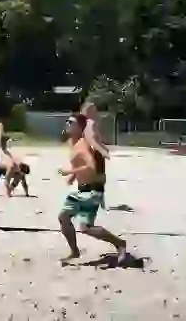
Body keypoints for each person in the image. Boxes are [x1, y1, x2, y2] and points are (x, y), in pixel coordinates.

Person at [57, 113, 127, 265]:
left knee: (85, 227)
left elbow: (91, 167)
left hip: (92, 190)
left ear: (80, 127)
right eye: (67, 121)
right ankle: (75, 251)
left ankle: (120, 244)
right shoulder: (73, 143)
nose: (67, 123)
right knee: (63, 217)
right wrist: (73, 177)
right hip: (81, 189)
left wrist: (70, 172)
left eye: (71, 122)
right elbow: (79, 163)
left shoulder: (82, 145)